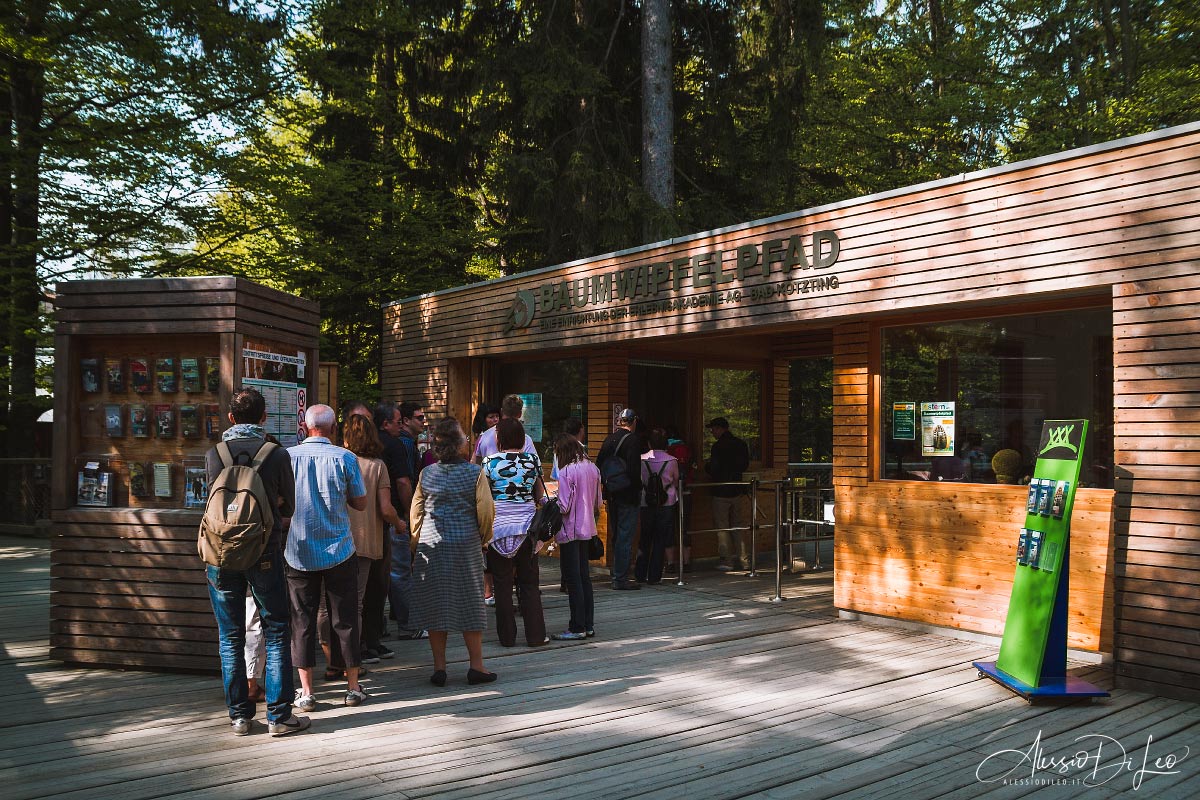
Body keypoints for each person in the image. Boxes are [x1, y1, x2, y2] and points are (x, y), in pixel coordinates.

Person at [202, 388, 306, 736]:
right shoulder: (276, 454)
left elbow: (212, 502)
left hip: (220, 552)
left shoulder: (215, 454)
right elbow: (288, 507)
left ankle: (240, 717)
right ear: (264, 418)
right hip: (264, 549)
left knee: (230, 635)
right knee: (276, 628)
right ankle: (279, 717)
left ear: (231, 417)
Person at [286, 404, 369, 710]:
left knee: (302, 622)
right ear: (334, 427)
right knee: (345, 619)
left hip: (298, 551)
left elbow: (281, 500)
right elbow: (360, 503)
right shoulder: (345, 457)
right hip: (339, 549)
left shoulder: (288, 457)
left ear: (305, 427)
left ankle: (306, 692)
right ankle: (353, 686)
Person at [409, 417, 497, 685]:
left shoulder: (427, 474)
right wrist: (484, 538)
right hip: (465, 543)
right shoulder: (475, 473)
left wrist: (416, 545)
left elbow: (416, 513)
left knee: (437, 606)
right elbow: (485, 511)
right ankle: (476, 666)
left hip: (432, 543)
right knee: (470, 604)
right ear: (459, 444)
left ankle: (439, 668)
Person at [318, 414, 404, 680]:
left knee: (324, 606)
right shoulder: (377, 466)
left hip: (332, 539)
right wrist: (400, 523)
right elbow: (385, 508)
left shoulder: (336, 460)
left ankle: (331, 661)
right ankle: (351, 662)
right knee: (354, 605)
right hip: (365, 541)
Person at [482, 417, 548, 647]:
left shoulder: (488, 463)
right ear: (522, 437)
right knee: (529, 584)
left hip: (498, 529)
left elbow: (484, 499)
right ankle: (536, 636)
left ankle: (507, 638)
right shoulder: (532, 461)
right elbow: (541, 496)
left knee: (501, 585)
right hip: (527, 530)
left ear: (499, 438)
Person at [374, 401, 426, 644]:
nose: (401, 426)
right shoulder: (397, 445)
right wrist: (408, 514)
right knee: (400, 572)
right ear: (386, 424)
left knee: (378, 575)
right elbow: (404, 482)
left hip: (369, 517)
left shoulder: (369, 444)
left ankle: (377, 627)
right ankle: (408, 625)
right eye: (397, 422)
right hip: (394, 516)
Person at [550, 434, 603, 640]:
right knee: (584, 578)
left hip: (570, 529)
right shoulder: (593, 468)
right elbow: (598, 503)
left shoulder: (566, 471)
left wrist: (550, 501)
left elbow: (564, 505)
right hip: (588, 528)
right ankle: (588, 624)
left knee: (573, 579)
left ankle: (576, 626)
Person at [596, 407, 647, 590]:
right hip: (628, 495)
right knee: (625, 536)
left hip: (612, 494)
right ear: (634, 422)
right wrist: (637, 489)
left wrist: (608, 485)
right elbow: (634, 471)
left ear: (620, 422)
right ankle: (620, 578)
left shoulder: (610, 439)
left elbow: (599, 464)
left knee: (617, 535)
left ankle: (616, 573)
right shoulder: (633, 441)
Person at [705, 416, 751, 572]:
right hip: (737, 490)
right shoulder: (741, 444)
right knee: (738, 526)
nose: (712, 431)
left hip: (721, 491)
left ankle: (727, 561)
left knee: (722, 528)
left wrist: (707, 467)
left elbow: (715, 469)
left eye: (713, 428)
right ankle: (744, 560)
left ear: (720, 428)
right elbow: (744, 465)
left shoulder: (718, 447)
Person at [635, 428, 680, 585]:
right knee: (660, 539)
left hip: (645, 502)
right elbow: (676, 481)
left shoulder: (641, 460)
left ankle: (640, 574)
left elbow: (638, 480)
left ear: (648, 443)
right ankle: (655, 576)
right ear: (667, 444)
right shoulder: (672, 460)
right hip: (666, 503)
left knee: (645, 538)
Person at [664, 426, 695, 572]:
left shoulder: (666, 451)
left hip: (669, 495)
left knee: (669, 527)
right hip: (686, 491)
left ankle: (670, 563)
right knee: (685, 526)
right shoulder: (687, 449)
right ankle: (686, 562)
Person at [473, 394, 536, 463]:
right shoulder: (526, 439)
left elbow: (477, 464)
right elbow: (533, 464)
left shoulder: (484, 437)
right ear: (520, 414)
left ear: (502, 411)